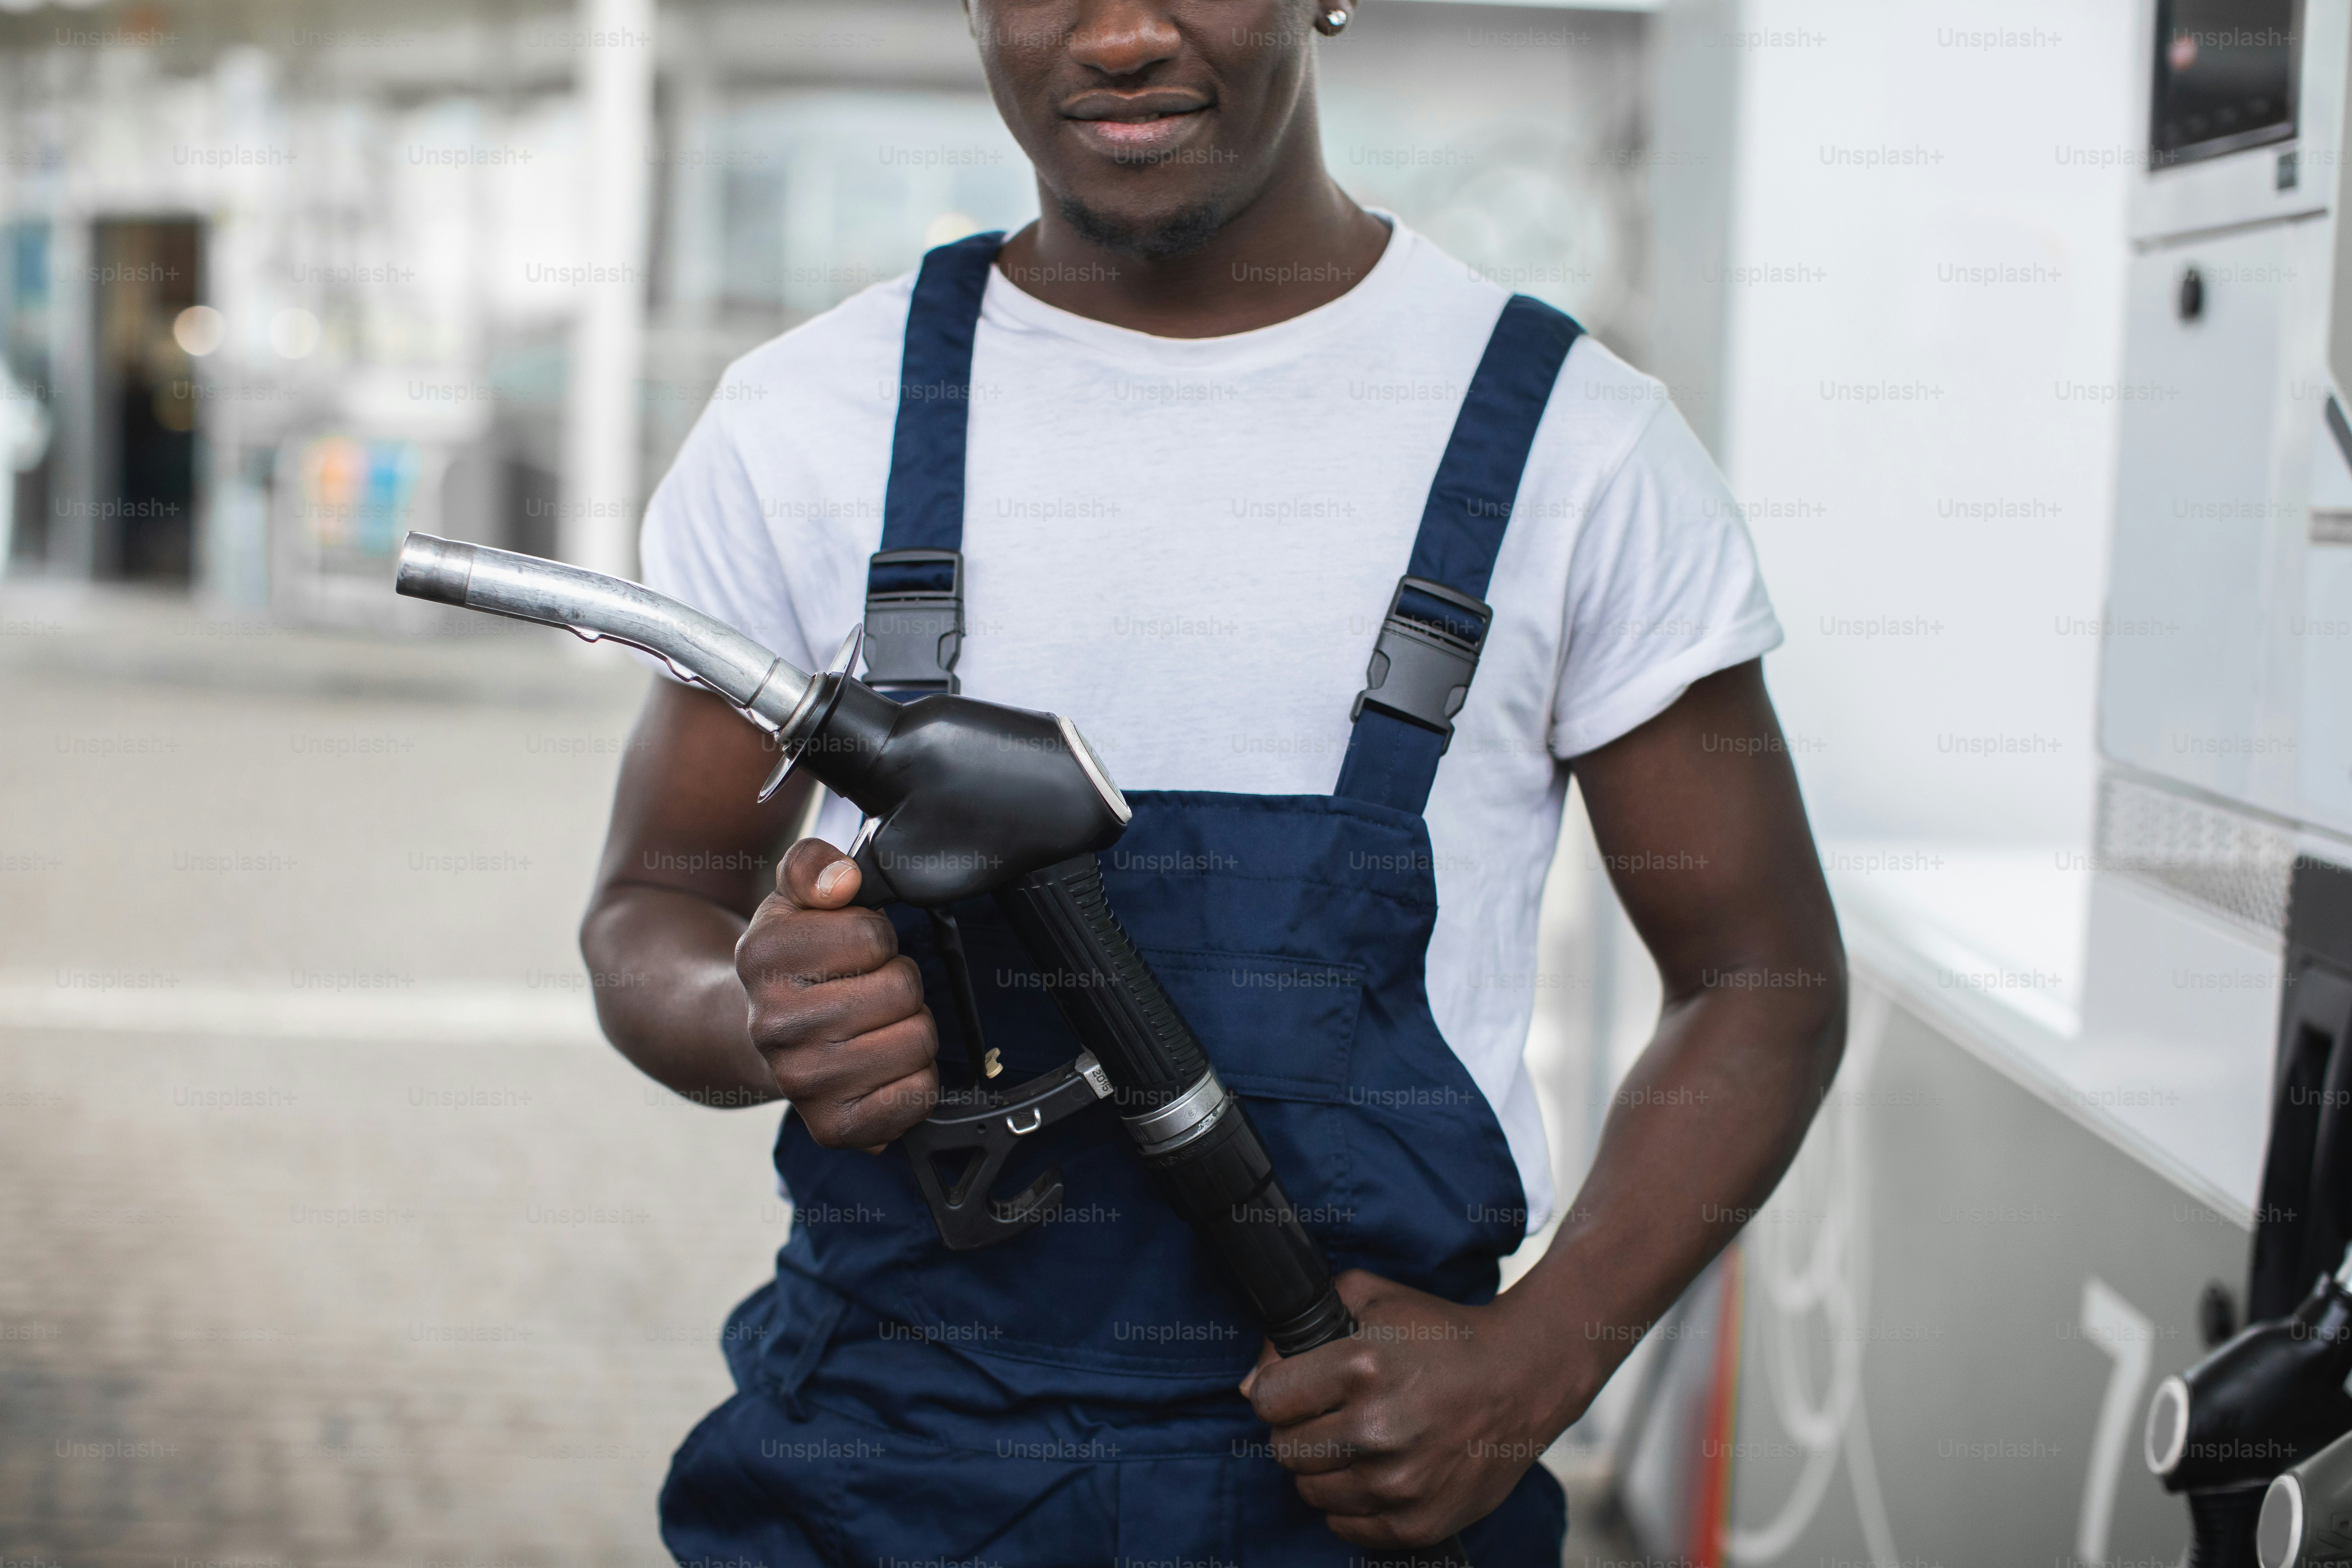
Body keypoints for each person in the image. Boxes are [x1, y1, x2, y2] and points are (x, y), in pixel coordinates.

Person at [582, 1, 1846, 1562]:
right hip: (882, 1477)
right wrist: (755, 1012)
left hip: (1356, 1483)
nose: (1119, 34)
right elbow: (656, 903)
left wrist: (1540, 1361)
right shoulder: (801, 423)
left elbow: (1760, 977)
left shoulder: (1581, 450)